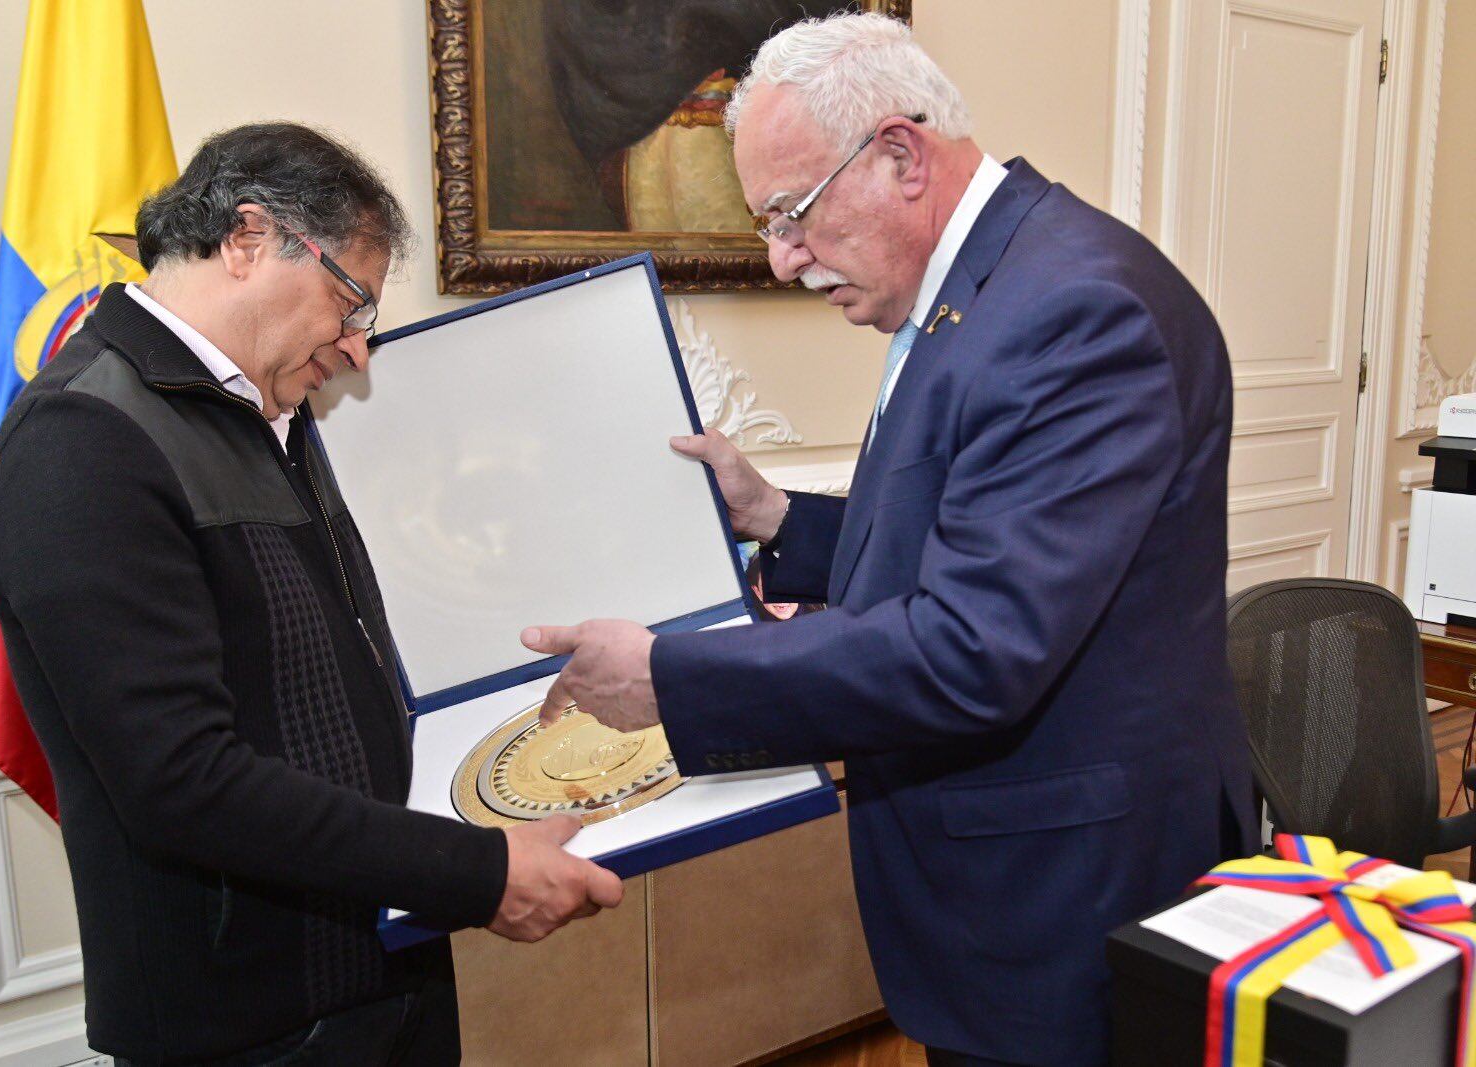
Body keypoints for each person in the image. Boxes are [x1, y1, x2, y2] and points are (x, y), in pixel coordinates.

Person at [519, 15, 1254, 1067]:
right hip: (1007, 876)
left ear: (900, 155)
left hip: (1066, 894)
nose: (780, 258)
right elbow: (962, 529)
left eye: (791, 213)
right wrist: (777, 516)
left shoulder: (1076, 309)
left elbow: (973, 647)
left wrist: (668, 675)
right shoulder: (985, 285)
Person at [0, 122, 621, 1067]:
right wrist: (476, 874)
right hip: (252, 1024)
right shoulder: (83, 438)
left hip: (376, 969)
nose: (357, 350)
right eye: (349, 299)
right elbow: (182, 781)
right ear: (247, 238)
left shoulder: (255, 409)